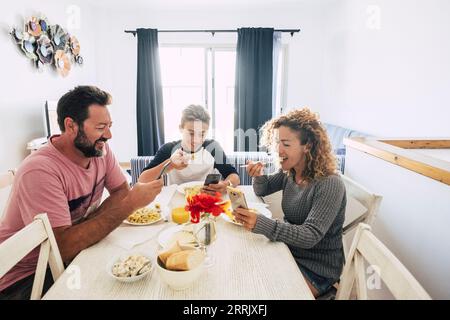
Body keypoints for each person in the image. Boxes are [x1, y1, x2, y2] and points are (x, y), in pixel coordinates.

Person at [0, 86, 163, 299]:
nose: (109, 135)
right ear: (71, 126)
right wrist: (129, 205)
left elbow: (120, 191)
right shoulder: (40, 170)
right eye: (101, 127)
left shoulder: (99, 150)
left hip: (65, 258)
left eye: (110, 126)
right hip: (26, 277)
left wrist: (87, 226)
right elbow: (64, 248)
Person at [233, 108, 346, 298]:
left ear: (307, 145)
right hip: (289, 249)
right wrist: (259, 175)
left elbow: (310, 235)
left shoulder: (329, 184)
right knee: (245, 268)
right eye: (277, 142)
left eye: (285, 144)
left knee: (259, 291)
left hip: (317, 269)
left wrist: (263, 224)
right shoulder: (291, 171)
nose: (278, 150)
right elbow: (263, 189)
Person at [139, 105, 240, 195]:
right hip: (178, 199)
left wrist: (227, 184)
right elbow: (142, 179)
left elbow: (234, 176)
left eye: (202, 134)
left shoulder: (213, 147)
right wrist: (170, 164)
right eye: (191, 133)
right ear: (181, 128)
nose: (196, 140)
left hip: (206, 198)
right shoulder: (168, 149)